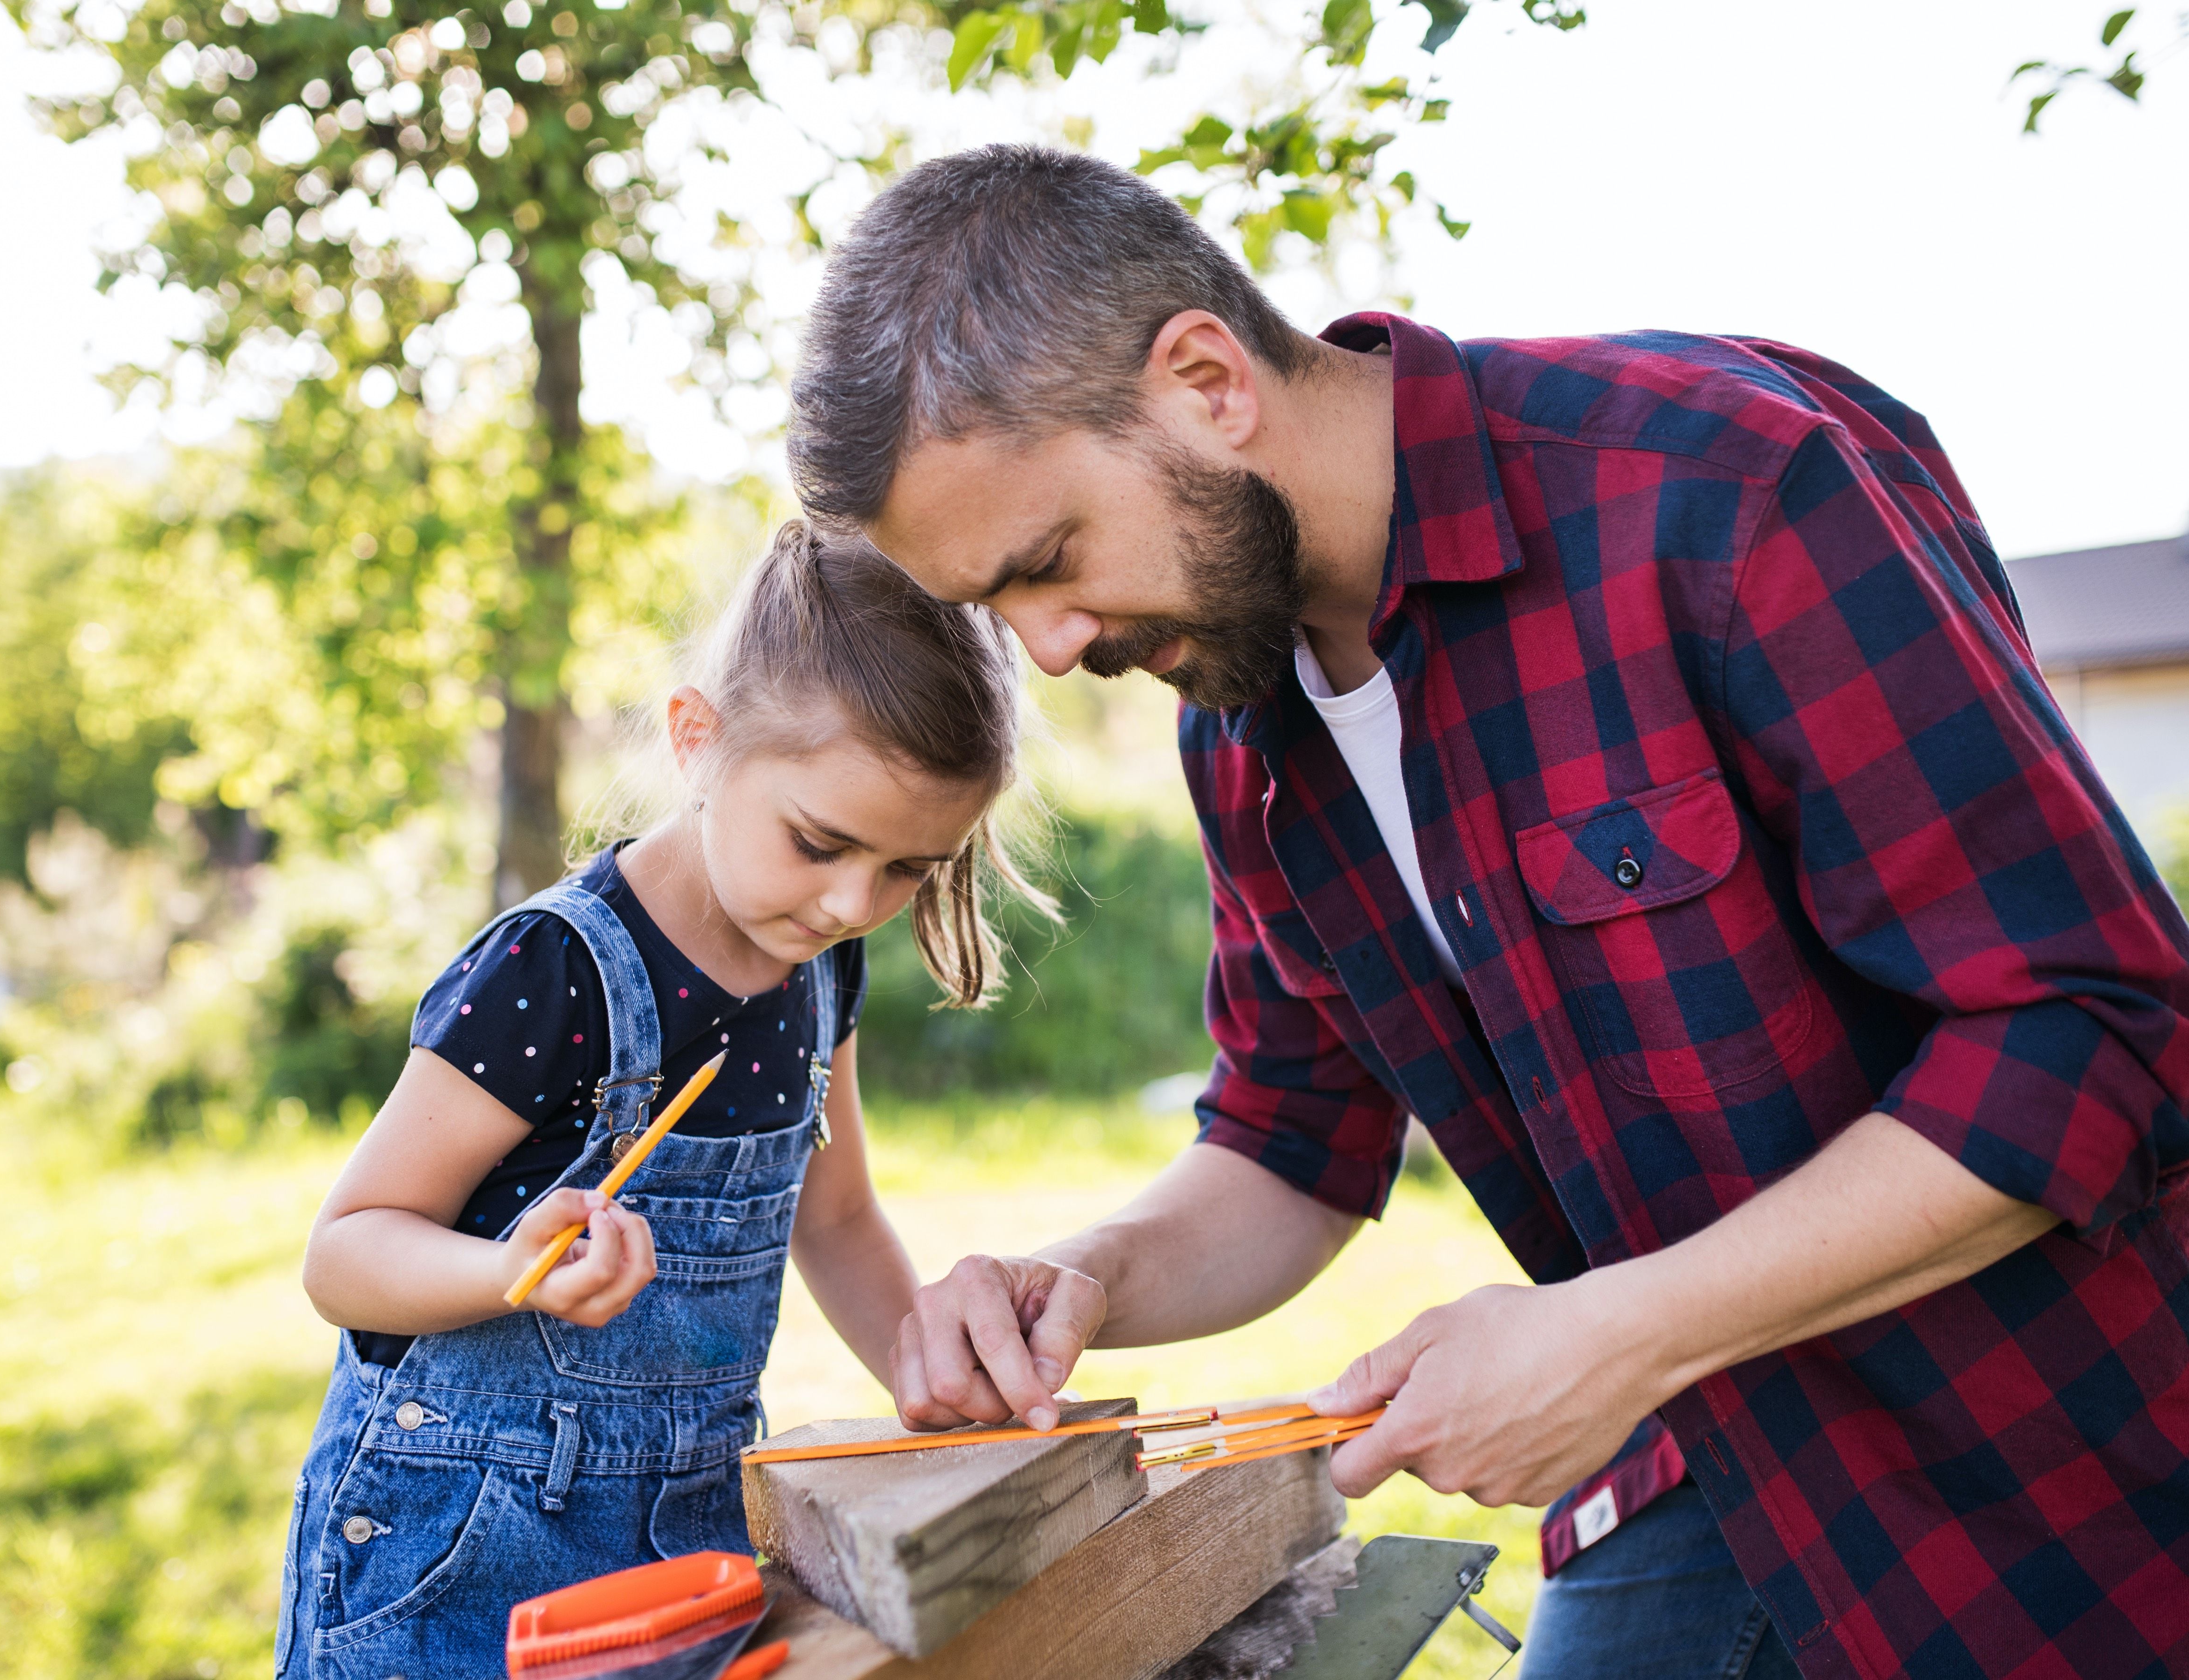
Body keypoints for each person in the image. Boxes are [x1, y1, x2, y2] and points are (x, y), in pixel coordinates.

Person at [786, 146, 2189, 1680]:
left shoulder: (1724, 493)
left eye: (1046, 563)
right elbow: (1290, 1138)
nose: (1049, 652)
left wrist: (1618, 1333)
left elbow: (2081, 1031)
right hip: (1689, 1454)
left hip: (2047, 1467)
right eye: (999, 610)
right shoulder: (1241, 723)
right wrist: (1090, 1277)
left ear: (1204, 379)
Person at [273, 521, 1049, 1680]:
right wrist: (509, 1270)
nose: (850, 900)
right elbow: (343, 1253)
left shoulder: (818, 967)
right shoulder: (555, 971)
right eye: (820, 842)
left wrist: (929, 1375)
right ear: (699, 740)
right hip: (458, 1556)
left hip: (688, 1543)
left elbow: (834, 1221)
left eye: (906, 870)